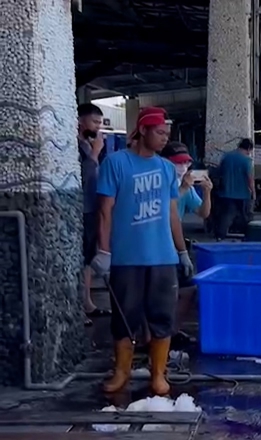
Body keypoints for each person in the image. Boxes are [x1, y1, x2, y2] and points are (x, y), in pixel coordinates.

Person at [91, 107, 194, 396]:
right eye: (160, 133)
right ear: (143, 130)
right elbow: (104, 211)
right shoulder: (116, 163)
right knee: (125, 317)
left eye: (167, 134)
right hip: (126, 259)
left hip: (163, 258)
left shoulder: (165, 168)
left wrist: (182, 251)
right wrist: (104, 251)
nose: (164, 139)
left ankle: (158, 374)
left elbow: (172, 212)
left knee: (162, 317)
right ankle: (121, 371)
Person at [161, 142, 213, 350]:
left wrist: (207, 192)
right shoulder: (163, 182)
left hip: (176, 242)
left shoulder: (186, 185)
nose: (183, 167)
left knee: (188, 289)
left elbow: (203, 213)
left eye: (186, 163)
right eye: (178, 163)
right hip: (161, 243)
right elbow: (165, 210)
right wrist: (183, 187)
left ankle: (172, 331)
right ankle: (155, 336)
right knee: (164, 293)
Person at [78, 103, 110, 326]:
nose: (98, 127)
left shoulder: (89, 145)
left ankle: (87, 302)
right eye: (94, 122)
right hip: (81, 207)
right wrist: (96, 153)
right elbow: (83, 176)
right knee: (80, 259)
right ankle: (78, 305)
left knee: (88, 258)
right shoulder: (76, 146)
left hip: (91, 207)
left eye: (100, 123)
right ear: (81, 121)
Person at [214, 138, 255, 240]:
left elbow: (219, 173)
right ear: (249, 148)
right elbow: (249, 178)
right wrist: (253, 192)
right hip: (242, 194)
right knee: (246, 216)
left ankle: (220, 235)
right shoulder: (246, 160)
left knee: (226, 215)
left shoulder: (226, 157)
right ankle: (249, 236)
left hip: (225, 192)